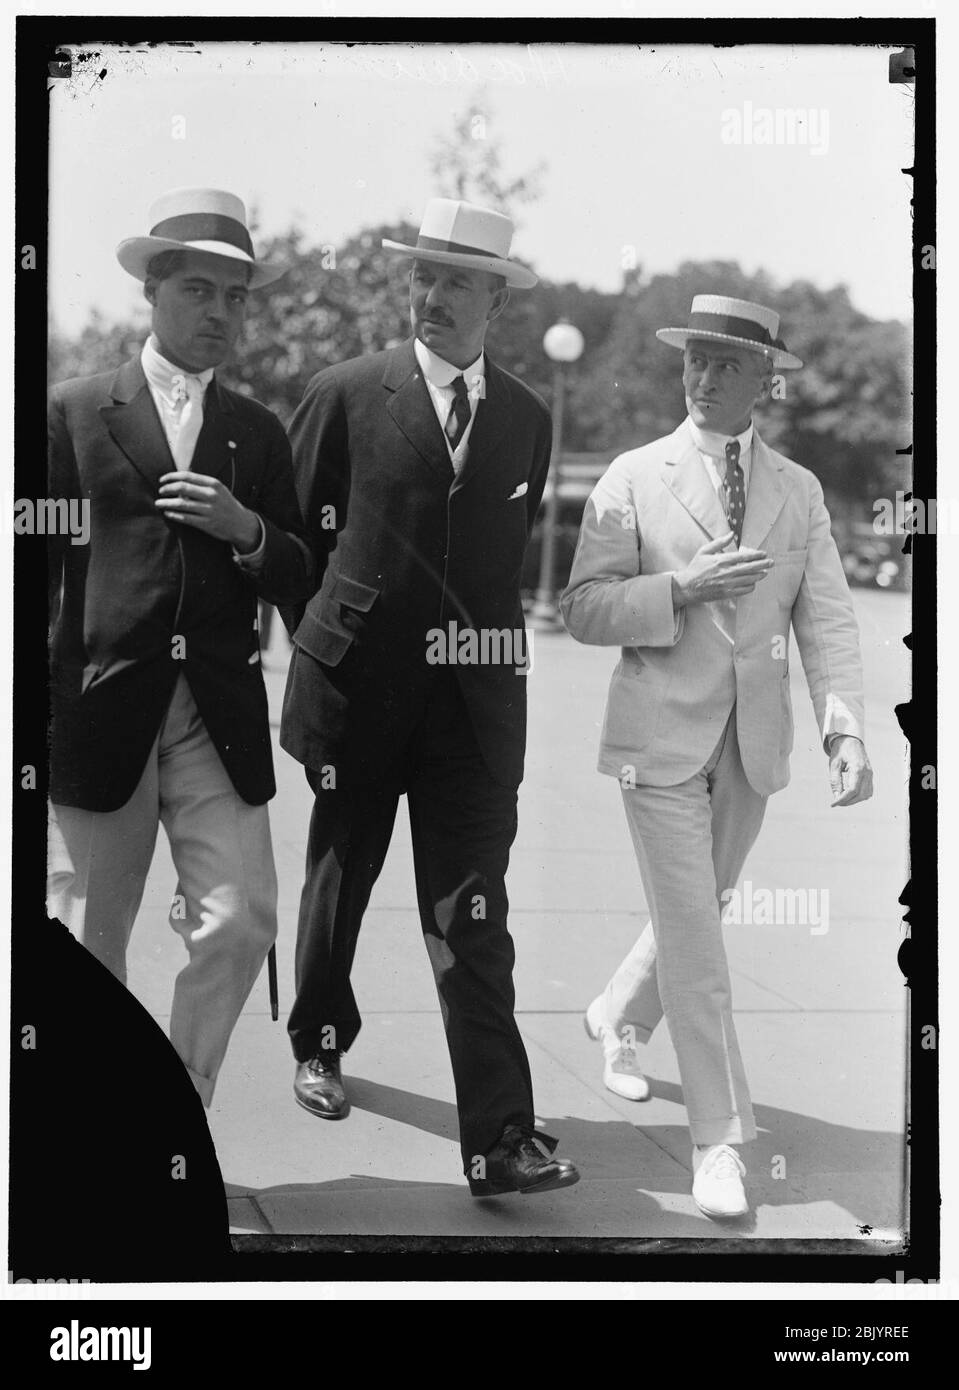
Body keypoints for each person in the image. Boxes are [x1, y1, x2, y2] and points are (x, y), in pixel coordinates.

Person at [280, 198, 580, 1197]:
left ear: (495, 295)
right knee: (340, 877)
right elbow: (296, 545)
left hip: (471, 712)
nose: (434, 294)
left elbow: (494, 562)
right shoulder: (344, 392)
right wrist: (322, 649)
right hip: (359, 695)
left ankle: (499, 1137)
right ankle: (317, 1041)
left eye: (457, 279)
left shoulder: (528, 420)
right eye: (422, 274)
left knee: (473, 917)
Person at [561, 295, 873, 1218]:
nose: (702, 378)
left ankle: (618, 1014)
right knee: (697, 937)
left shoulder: (800, 492)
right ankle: (719, 1142)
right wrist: (677, 591)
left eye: (726, 365)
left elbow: (825, 621)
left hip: (751, 749)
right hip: (655, 744)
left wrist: (844, 729)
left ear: (763, 382)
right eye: (694, 360)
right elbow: (582, 607)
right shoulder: (632, 475)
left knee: (694, 910)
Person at [47, 187, 313, 1106]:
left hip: (216, 717)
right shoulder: (71, 414)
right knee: (88, 944)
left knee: (242, 921)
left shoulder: (256, 433)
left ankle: (176, 1108)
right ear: (152, 290)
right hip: (94, 712)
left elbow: (300, 572)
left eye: (236, 297)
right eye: (199, 290)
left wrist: (248, 530)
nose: (221, 313)